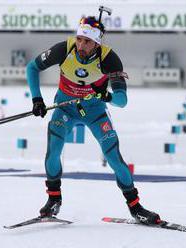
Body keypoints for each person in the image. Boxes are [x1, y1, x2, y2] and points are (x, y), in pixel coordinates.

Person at [26, 16, 161, 225]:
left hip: (95, 111)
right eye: (79, 39)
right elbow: (31, 68)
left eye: (87, 41)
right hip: (65, 108)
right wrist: (37, 100)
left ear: (97, 43)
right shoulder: (64, 49)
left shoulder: (110, 59)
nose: (81, 45)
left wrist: (106, 95)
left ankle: (136, 208)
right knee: (53, 151)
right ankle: (54, 199)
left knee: (114, 158)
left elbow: (122, 101)